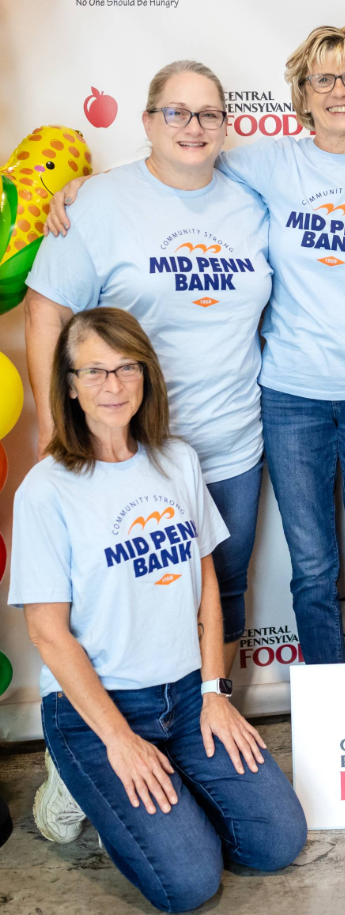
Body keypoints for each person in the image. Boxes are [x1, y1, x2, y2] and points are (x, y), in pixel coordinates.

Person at [47, 27, 345, 666]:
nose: (338, 90)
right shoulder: (265, 162)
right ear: (300, 93)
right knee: (312, 566)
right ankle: (326, 700)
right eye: (322, 78)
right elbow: (172, 161)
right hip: (291, 395)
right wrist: (87, 187)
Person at [8, 308, 306, 911]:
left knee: (278, 841)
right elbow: (46, 632)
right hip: (100, 708)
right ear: (68, 383)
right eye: (93, 371)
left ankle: (166, 785)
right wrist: (117, 738)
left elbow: (207, 588)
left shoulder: (176, 460)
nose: (112, 385)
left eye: (125, 368)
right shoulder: (47, 489)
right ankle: (72, 783)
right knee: (189, 885)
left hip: (187, 697)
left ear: (146, 375)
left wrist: (216, 691)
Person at [26, 60, 272, 685]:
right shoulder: (101, 202)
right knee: (130, 605)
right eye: (176, 112)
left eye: (209, 114)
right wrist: (60, 430)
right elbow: (45, 312)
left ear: (225, 124)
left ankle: (214, 711)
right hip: (126, 454)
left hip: (229, 446)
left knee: (223, 595)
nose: (193, 127)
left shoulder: (254, 199)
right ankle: (127, 729)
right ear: (147, 121)